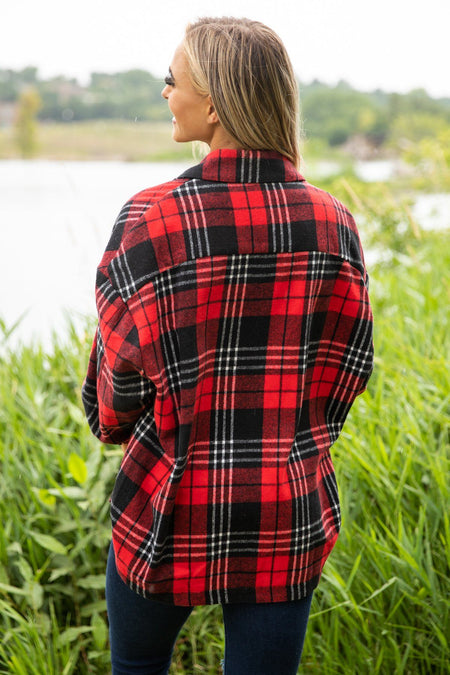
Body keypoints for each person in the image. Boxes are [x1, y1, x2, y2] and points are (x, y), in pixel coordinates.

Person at [82, 16, 374, 675]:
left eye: (170, 80)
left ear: (212, 102)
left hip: (165, 504)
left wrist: (115, 422)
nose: (165, 93)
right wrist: (291, 439)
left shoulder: (149, 218)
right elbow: (348, 368)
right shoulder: (332, 221)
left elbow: (117, 387)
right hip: (284, 508)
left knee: (137, 665)